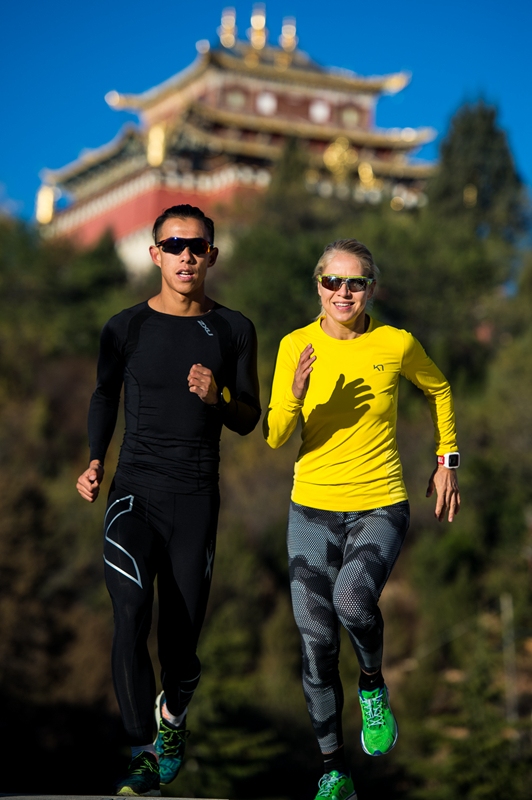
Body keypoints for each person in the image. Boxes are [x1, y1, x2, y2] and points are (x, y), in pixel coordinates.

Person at [263, 239, 460, 800]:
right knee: (316, 642)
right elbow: (275, 435)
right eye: (333, 282)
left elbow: (439, 388)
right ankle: (334, 771)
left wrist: (447, 461)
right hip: (311, 509)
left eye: (356, 283)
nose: (343, 293)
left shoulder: (395, 343)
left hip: (379, 503)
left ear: (372, 289)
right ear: (318, 286)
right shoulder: (295, 345)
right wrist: (296, 394)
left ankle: (372, 683)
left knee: (352, 601)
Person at [76, 204, 261, 797]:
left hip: (195, 501)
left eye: (197, 246)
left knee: (181, 649)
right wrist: (95, 460)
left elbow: (248, 417)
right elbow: (104, 395)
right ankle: (141, 752)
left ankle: (173, 719)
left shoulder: (234, 329)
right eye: (174, 245)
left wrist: (216, 396)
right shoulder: (124, 327)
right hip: (133, 494)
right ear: (155, 254)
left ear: (212, 256)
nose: (186, 255)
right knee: (130, 614)